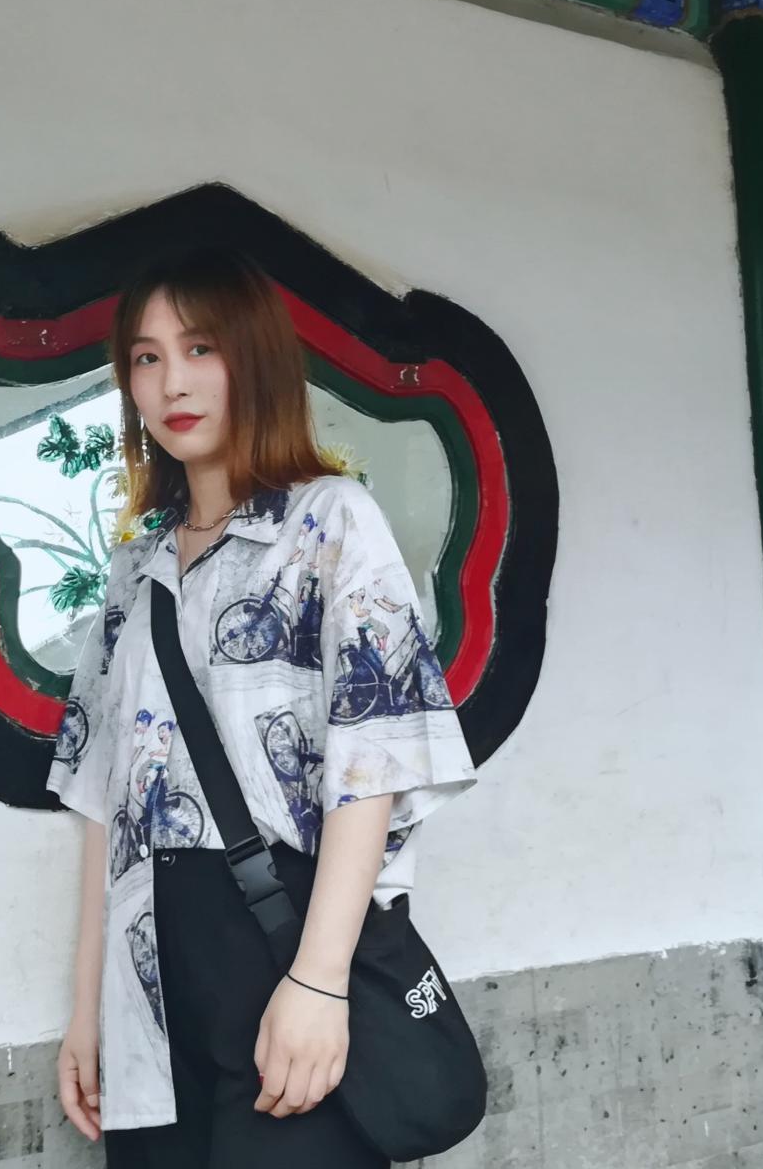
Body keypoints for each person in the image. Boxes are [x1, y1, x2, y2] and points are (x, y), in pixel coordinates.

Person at [46, 247, 479, 1169]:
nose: (172, 382)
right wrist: (88, 1012)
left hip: (282, 946)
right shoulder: (133, 571)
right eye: (147, 358)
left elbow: (374, 758)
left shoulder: (328, 521)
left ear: (256, 358)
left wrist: (319, 983)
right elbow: (101, 798)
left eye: (200, 348)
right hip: (151, 995)